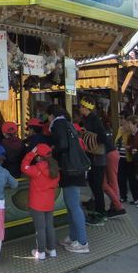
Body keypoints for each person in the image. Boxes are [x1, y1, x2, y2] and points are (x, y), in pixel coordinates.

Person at [46, 104, 90, 254]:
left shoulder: (58, 124)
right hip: (75, 168)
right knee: (71, 205)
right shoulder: (67, 123)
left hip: (70, 169)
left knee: (73, 206)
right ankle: (73, 237)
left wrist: (52, 151)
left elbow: (63, 145)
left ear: (51, 115)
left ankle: (83, 242)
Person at [21, 143, 60, 260]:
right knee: (49, 226)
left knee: (40, 228)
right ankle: (52, 250)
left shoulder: (37, 169)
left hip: (37, 203)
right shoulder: (55, 169)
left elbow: (23, 166)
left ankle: (41, 252)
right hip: (49, 202)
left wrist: (31, 153)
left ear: (39, 156)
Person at [79, 97, 108, 225]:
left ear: (86, 108)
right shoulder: (87, 119)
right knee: (93, 183)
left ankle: (100, 214)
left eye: (80, 107)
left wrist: (90, 138)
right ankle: (97, 210)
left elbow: (103, 137)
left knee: (97, 186)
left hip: (97, 158)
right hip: (93, 158)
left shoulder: (94, 120)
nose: (79, 109)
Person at [115, 111, 138, 204]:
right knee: (121, 178)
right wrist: (122, 132)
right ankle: (123, 196)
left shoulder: (131, 130)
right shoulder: (120, 129)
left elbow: (132, 142)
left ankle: (137, 198)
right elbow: (117, 141)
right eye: (120, 118)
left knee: (132, 178)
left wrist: (126, 131)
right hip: (120, 157)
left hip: (129, 157)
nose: (120, 120)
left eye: (122, 118)